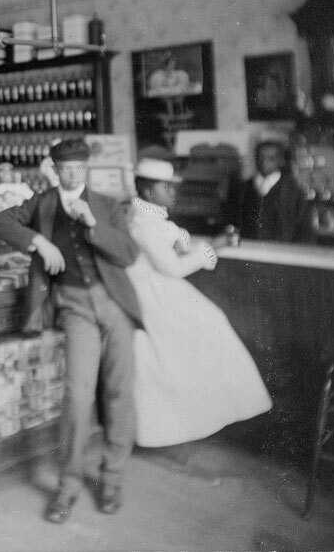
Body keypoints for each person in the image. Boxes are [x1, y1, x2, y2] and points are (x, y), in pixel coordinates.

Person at [0, 138, 141, 523]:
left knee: (120, 392)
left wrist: (93, 225)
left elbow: (128, 254)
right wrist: (38, 241)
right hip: (75, 308)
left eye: (78, 167)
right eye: (65, 168)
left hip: (115, 304)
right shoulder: (41, 204)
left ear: (86, 168)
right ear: (54, 169)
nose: (72, 173)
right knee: (77, 396)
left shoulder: (108, 204)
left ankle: (112, 478)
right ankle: (68, 486)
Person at [127, 157, 271, 448]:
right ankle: (197, 420)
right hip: (152, 295)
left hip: (161, 290)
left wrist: (193, 242)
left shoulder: (152, 216)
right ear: (148, 191)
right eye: (166, 186)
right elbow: (172, 268)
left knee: (210, 326)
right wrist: (214, 246)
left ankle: (219, 413)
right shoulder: (143, 223)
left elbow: (175, 247)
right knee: (202, 335)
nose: (173, 191)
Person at [236, 140, 311, 242]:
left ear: (280, 161)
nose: (264, 162)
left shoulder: (293, 191)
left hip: (281, 251)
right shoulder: (244, 188)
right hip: (249, 249)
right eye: (260, 157)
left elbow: (304, 228)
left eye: (271, 158)